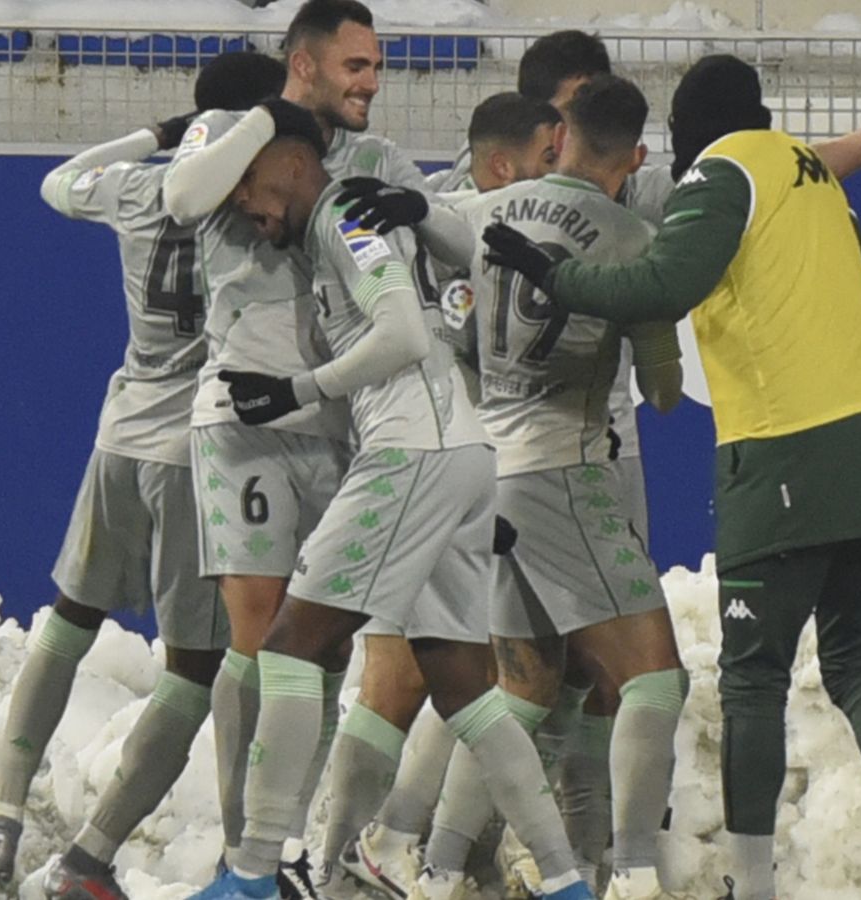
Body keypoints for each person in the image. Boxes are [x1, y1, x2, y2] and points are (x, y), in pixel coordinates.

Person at [483, 54, 861, 900]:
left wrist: (551, 274)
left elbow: (666, 282)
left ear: (681, 131)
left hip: (785, 450)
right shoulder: (806, 174)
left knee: (752, 678)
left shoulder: (719, 170)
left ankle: (751, 884)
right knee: (857, 662)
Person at [183, 99, 595, 900]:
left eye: (250, 186)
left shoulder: (339, 212)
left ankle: (254, 873)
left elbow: (404, 334)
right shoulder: (343, 220)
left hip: (415, 450)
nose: (244, 203)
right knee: (464, 687)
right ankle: (565, 882)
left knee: (292, 648)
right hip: (458, 450)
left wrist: (295, 388)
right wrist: (428, 216)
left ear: (294, 163)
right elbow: (464, 259)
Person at [0, 52, 285, 900]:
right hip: (198, 453)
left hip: (119, 437)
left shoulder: (140, 190)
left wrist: (156, 135)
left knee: (69, 620)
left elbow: (59, 181)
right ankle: (90, 858)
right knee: (195, 666)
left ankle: (0, 823)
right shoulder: (253, 205)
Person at [162, 3, 467, 893]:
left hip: (341, 429)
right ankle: (249, 853)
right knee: (261, 639)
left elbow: (447, 246)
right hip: (248, 422)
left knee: (322, 649)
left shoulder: (377, 162)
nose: (372, 82)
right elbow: (182, 200)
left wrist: (424, 209)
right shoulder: (229, 136)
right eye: (356, 67)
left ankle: (291, 850)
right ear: (304, 64)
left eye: (377, 67)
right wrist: (271, 118)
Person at [385, 74, 688, 900]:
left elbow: (464, 351)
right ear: (633, 154)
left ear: (558, 138)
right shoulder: (630, 236)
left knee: (522, 690)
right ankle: (631, 872)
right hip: (569, 476)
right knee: (656, 681)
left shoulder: (488, 212)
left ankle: (434, 862)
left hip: (496, 474)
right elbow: (663, 391)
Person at [315, 89, 564, 900]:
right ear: (505, 162)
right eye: (546, 155)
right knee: (404, 672)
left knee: (438, 672)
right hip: (429, 469)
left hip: (449, 471)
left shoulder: (441, 212)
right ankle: (355, 855)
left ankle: (377, 846)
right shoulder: (458, 225)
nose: (557, 170)